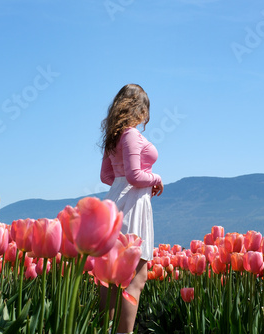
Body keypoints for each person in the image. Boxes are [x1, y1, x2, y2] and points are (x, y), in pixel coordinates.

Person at [100, 83, 164, 333]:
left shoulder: (113, 137)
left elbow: (107, 176)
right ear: (140, 109)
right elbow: (136, 176)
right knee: (135, 279)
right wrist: (155, 179)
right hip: (133, 205)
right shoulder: (132, 135)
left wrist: (125, 180)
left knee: (109, 277)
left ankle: (107, 329)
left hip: (115, 201)